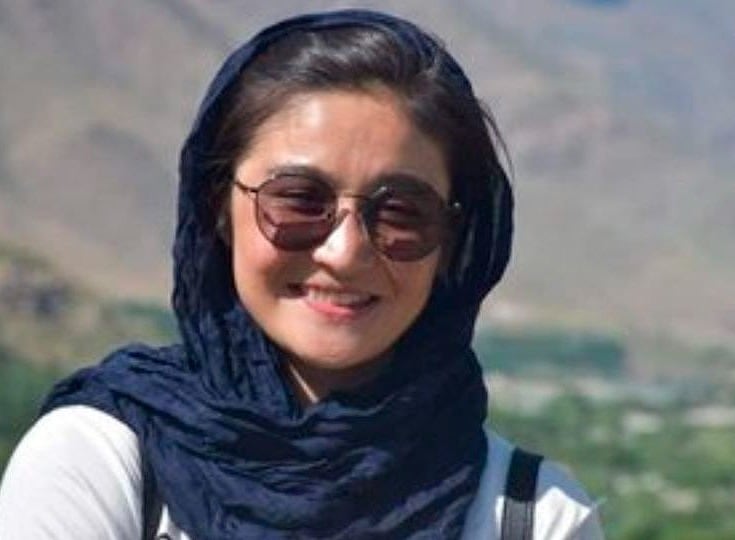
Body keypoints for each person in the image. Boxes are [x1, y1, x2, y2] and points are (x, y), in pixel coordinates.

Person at [0, 9, 603, 539]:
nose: (345, 252)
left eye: (401, 212)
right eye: (298, 199)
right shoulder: (100, 466)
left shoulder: (535, 517)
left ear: (452, 239)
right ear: (218, 208)